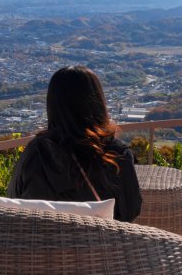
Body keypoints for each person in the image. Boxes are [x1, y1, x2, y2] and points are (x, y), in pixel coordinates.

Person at [7, 66, 142, 222]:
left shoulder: (37, 151)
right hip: (104, 243)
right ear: (97, 101)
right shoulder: (116, 153)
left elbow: (13, 200)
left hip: (40, 241)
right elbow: (131, 210)